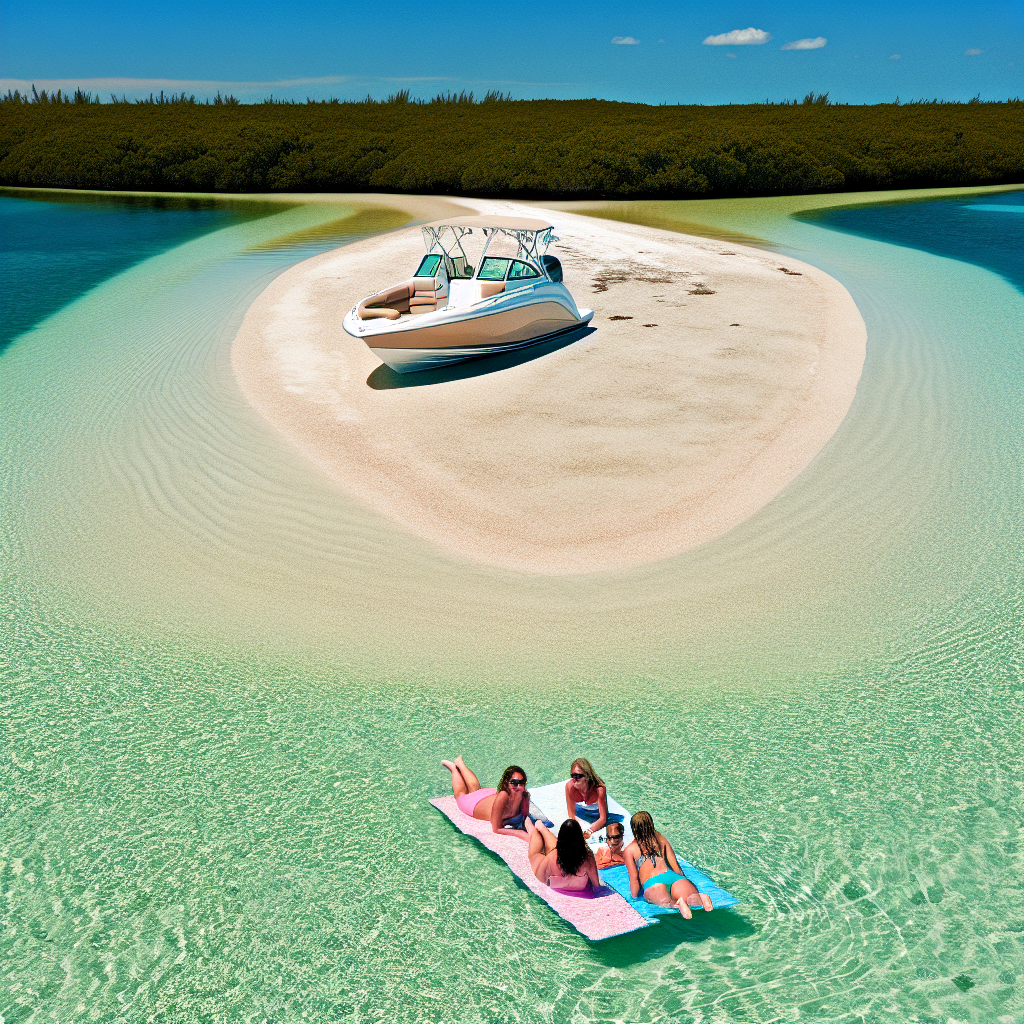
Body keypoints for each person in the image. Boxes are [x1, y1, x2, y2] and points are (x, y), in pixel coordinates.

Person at [625, 811, 714, 919]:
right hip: (673, 877)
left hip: (653, 884)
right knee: (693, 901)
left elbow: (634, 879)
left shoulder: (629, 850)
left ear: (634, 829)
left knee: (667, 904)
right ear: (651, 824)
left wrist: (634, 898)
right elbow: (677, 868)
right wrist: (685, 882)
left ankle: (677, 904)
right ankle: (701, 897)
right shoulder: (661, 839)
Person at [442, 756, 531, 841]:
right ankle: (454, 768)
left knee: (475, 789)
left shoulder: (525, 796)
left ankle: (460, 764)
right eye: (514, 782)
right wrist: (519, 833)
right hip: (474, 804)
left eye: (521, 782)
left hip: (489, 796)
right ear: (506, 783)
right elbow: (496, 829)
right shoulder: (503, 795)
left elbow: (524, 819)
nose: (518, 786)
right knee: (460, 795)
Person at [525, 817, 600, 892]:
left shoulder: (553, 856)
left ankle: (530, 825)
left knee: (535, 839)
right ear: (580, 838)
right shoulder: (587, 857)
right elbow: (596, 885)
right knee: (552, 846)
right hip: (564, 853)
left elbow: (539, 878)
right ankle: (540, 827)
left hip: (558, 855)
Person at [564, 758, 611, 840]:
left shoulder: (599, 789)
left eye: (578, 776)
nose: (575, 779)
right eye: (573, 776)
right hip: (580, 816)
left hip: (595, 818)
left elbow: (603, 818)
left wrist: (589, 831)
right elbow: (571, 814)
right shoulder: (569, 787)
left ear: (587, 776)